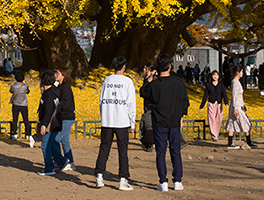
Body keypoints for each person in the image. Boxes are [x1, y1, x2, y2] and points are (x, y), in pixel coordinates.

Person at [140, 53, 189, 192]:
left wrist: (148, 78)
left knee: (160, 152)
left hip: (159, 121)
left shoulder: (154, 85)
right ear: (170, 66)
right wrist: (181, 117)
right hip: (174, 121)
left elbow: (143, 92)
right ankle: (178, 181)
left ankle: (163, 182)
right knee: (176, 151)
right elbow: (185, 102)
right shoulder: (178, 83)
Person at [95, 56, 137, 190]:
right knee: (122, 150)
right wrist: (132, 122)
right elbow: (131, 103)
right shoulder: (127, 81)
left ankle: (99, 176)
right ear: (124, 67)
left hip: (107, 120)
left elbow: (101, 101)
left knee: (104, 148)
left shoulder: (107, 80)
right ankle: (122, 179)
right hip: (122, 120)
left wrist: (104, 116)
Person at [37, 69, 65, 176]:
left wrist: (43, 124)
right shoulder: (54, 91)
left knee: (45, 146)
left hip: (50, 124)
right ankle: (62, 161)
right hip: (56, 122)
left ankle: (49, 168)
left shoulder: (48, 95)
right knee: (52, 144)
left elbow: (48, 111)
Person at [226, 66, 258, 150]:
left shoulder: (236, 82)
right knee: (245, 123)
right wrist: (236, 108)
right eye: (242, 71)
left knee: (232, 124)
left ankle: (230, 142)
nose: (242, 73)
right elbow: (235, 96)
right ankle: (248, 141)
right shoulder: (235, 83)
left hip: (238, 106)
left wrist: (243, 105)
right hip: (237, 107)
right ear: (238, 72)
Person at [54, 67, 76, 172]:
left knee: (55, 139)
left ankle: (61, 161)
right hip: (63, 117)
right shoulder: (60, 87)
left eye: (58, 73)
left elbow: (65, 102)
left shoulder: (66, 87)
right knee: (64, 141)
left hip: (67, 117)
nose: (55, 75)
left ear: (63, 75)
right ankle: (70, 162)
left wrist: (56, 105)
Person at [200, 70, 227, 142]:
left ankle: (216, 134)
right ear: (211, 76)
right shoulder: (208, 85)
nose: (215, 76)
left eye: (216, 75)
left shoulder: (221, 85)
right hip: (211, 103)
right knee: (211, 119)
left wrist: (226, 103)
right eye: (214, 75)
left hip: (219, 104)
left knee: (218, 119)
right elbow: (205, 95)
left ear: (219, 76)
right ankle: (214, 135)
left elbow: (224, 94)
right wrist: (202, 105)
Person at [9, 71, 33, 147]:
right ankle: (28, 134)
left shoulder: (13, 86)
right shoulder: (25, 86)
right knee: (26, 119)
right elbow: (27, 92)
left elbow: (11, 91)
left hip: (15, 104)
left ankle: (14, 134)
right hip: (23, 104)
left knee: (15, 119)